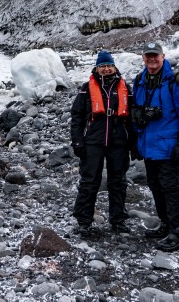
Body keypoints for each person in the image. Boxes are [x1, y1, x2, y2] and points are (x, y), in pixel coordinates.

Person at [131, 41, 179, 252]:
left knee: (170, 187)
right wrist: (136, 138)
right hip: (149, 145)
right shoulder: (140, 81)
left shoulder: (175, 81)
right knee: (155, 185)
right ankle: (166, 224)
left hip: (168, 145)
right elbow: (136, 111)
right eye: (148, 55)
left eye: (155, 55)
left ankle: (178, 232)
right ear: (143, 57)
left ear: (163, 56)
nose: (152, 59)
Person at [70, 50, 135, 235]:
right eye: (102, 66)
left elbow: (132, 118)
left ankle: (118, 220)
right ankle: (84, 221)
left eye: (109, 65)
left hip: (118, 140)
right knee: (89, 181)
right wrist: (77, 142)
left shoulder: (125, 88)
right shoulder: (86, 88)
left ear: (114, 67)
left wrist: (133, 142)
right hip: (93, 139)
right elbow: (77, 116)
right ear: (97, 69)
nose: (106, 69)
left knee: (118, 182)